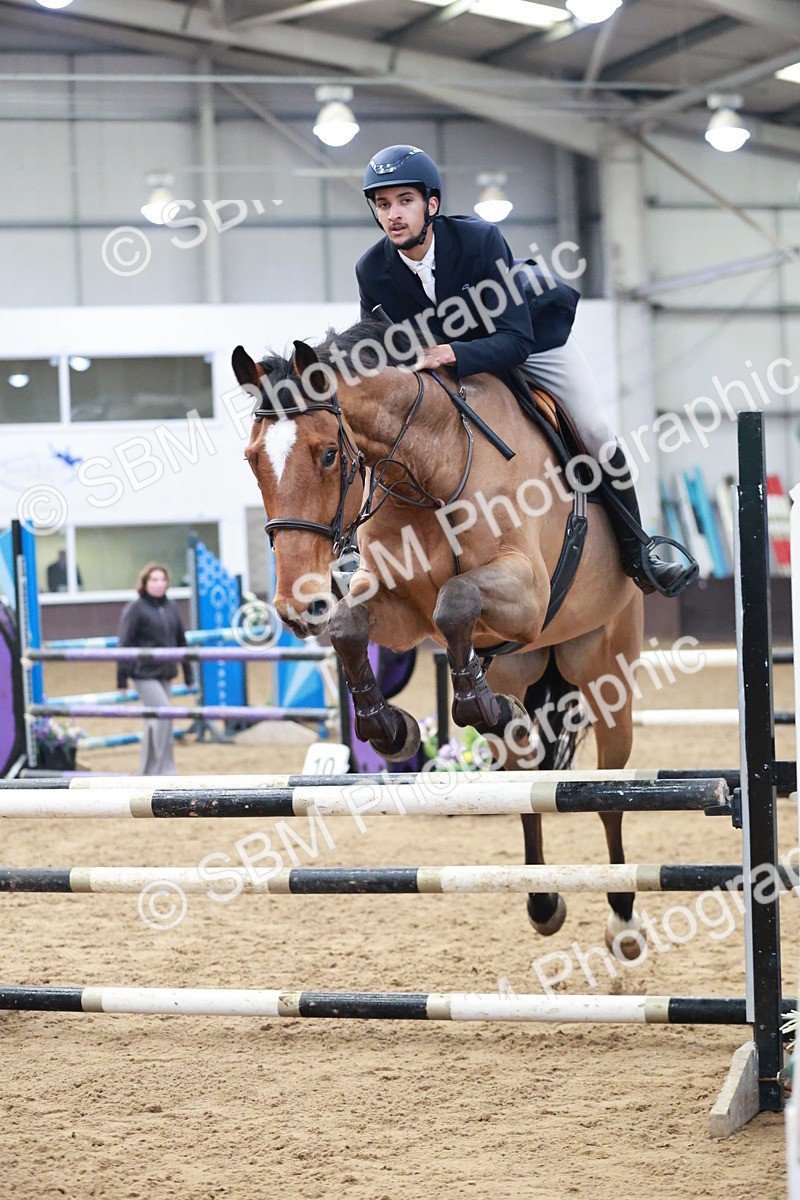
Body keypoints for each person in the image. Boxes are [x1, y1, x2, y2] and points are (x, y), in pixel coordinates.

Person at [356, 144, 696, 597]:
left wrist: (449, 354)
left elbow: (514, 341)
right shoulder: (372, 270)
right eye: (383, 205)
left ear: (431, 204)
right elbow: (376, 348)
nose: (393, 215)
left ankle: (639, 551)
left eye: (405, 201)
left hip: (530, 341)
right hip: (446, 363)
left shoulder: (479, 241)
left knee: (594, 429)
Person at [116, 563, 193, 776]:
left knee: (154, 719)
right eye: (154, 580)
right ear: (145, 583)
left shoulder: (171, 607)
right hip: (143, 673)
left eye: (162, 580)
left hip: (165, 673)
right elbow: (124, 643)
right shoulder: (136, 608)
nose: (159, 584)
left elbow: (181, 640)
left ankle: (148, 771)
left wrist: (188, 674)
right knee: (164, 714)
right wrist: (121, 679)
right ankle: (165, 770)